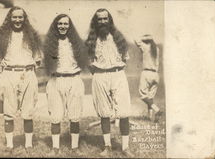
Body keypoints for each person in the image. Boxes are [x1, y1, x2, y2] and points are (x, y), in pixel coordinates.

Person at [85, 8, 133, 157]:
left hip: (118, 75)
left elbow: (125, 58)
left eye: (105, 18)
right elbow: (88, 61)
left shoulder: (118, 37)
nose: (103, 21)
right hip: (100, 76)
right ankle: (107, 147)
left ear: (109, 20)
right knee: (104, 113)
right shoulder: (91, 40)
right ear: (96, 21)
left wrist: (114, 70)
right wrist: (99, 73)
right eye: (99, 19)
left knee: (124, 112)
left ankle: (125, 148)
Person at [0, 6, 42, 150]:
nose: (17, 20)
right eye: (14, 17)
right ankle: (9, 145)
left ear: (24, 19)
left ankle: (28, 144)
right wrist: (2, 76)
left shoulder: (31, 36)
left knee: (28, 111)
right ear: (10, 18)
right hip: (9, 74)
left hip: (27, 74)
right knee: (8, 111)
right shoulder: (2, 36)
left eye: (20, 17)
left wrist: (29, 71)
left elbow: (38, 59)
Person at [43, 14, 85, 156]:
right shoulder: (50, 43)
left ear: (69, 25)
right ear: (56, 25)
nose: (62, 26)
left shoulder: (76, 42)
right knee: (55, 115)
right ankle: (55, 148)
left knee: (74, 115)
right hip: (56, 80)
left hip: (74, 79)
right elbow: (46, 64)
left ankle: (74, 147)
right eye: (60, 24)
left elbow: (84, 60)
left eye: (65, 24)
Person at [135, 35, 161, 121]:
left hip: (147, 73)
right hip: (156, 75)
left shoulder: (145, 47)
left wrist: (142, 38)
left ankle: (156, 109)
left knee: (143, 96)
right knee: (150, 97)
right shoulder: (156, 49)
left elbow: (136, 39)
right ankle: (150, 118)